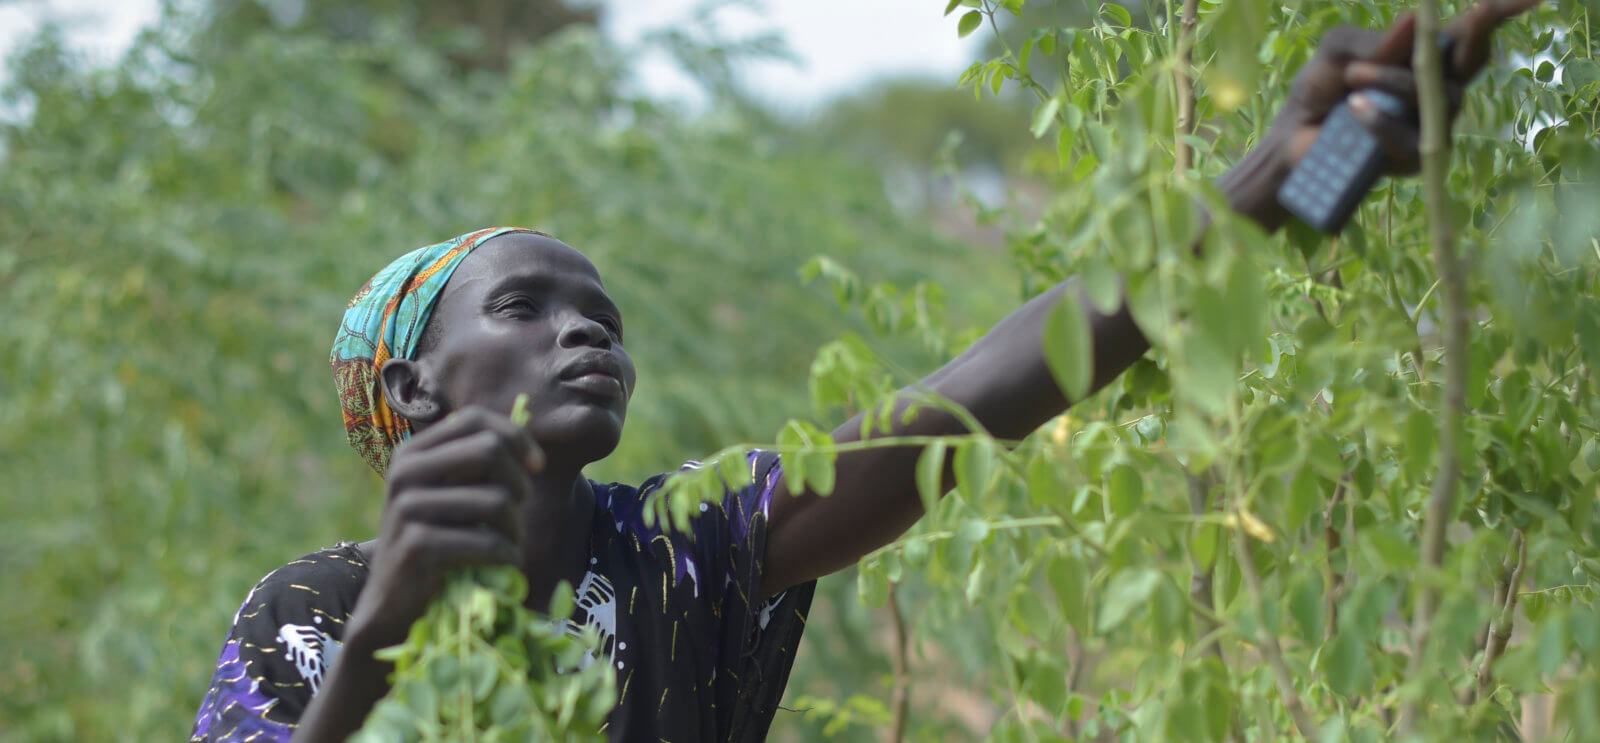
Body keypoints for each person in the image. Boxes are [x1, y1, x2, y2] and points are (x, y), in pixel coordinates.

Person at [189, 3, 1538, 741]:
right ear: (415, 392)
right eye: (526, 307)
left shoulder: (685, 551)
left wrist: (1293, 171)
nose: (583, 331)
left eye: (600, 310)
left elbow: (988, 386)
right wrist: (381, 649)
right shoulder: (310, 616)